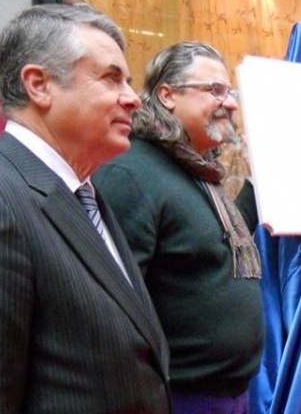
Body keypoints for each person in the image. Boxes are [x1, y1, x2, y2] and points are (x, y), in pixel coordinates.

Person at [0, 4, 170, 412]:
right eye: (111, 78)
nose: (133, 99)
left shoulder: (84, 193)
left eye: (129, 81)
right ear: (39, 85)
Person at [92, 41, 263, 414]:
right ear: (167, 95)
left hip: (230, 394)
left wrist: (255, 181)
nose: (230, 104)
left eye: (229, 92)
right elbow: (110, 308)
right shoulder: (131, 174)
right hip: (177, 398)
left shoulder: (196, 168)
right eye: (214, 90)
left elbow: (218, 244)